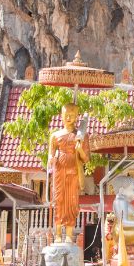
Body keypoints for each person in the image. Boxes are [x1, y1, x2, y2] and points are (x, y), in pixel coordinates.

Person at [48, 102, 89, 244]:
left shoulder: (81, 135)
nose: (69, 118)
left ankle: (69, 235)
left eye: (72, 115)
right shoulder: (55, 135)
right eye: (66, 115)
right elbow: (51, 154)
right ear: (61, 115)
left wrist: (80, 149)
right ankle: (58, 233)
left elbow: (86, 158)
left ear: (77, 117)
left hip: (74, 172)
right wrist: (51, 158)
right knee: (58, 200)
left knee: (71, 202)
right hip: (59, 171)